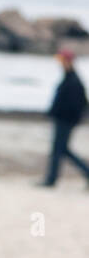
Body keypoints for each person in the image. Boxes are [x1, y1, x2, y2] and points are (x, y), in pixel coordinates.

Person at [39, 48, 89, 187]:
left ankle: (51, 180)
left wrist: (62, 115)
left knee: (60, 150)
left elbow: (79, 104)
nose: (60, 64)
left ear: (68, 62)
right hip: (63, 119)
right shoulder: (68, 77)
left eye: (62, 61)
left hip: (65, 121)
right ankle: (52, 179)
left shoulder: (74, 80)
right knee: (61, 150)